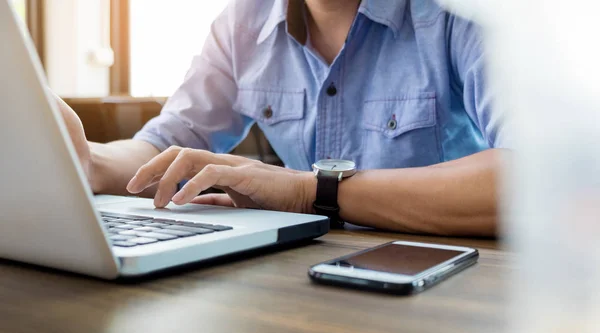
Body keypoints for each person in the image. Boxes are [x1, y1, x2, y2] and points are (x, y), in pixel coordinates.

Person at [55, 0, 507, 237]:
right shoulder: (244, 21)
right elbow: (167, 143)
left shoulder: (462, 14)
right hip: (309, 274)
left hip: (454, 277)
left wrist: (306, 192)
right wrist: (86, 162)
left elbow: (537, 178)